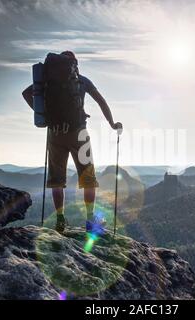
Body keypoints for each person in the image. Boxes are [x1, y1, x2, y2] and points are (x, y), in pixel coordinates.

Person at [23, 51, 122, 233]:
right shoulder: (82, 81)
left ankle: (60, 220)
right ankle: (91, 221)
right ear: (75, 65)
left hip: (55, 134)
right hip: (79, 134)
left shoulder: (47, 81)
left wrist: (44, 115)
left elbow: (27, 93)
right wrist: (112, 123)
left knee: (57, 181)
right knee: (88, 179)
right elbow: (101, 101)